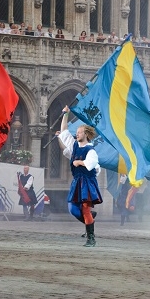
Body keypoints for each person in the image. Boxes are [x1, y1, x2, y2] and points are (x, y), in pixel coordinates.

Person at [57, 105, 102, 247]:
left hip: (87, 182)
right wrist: (65, 114)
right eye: (76, 132)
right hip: (77, 181)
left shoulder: (91, 151)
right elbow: (64, 132)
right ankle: (90, 221)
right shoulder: (74, 146)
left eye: (80, 132)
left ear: (86, 134)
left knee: (85, 209)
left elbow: (90, 165)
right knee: (73, 209)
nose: (77, 134)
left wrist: (79, 162)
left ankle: (91, 238)